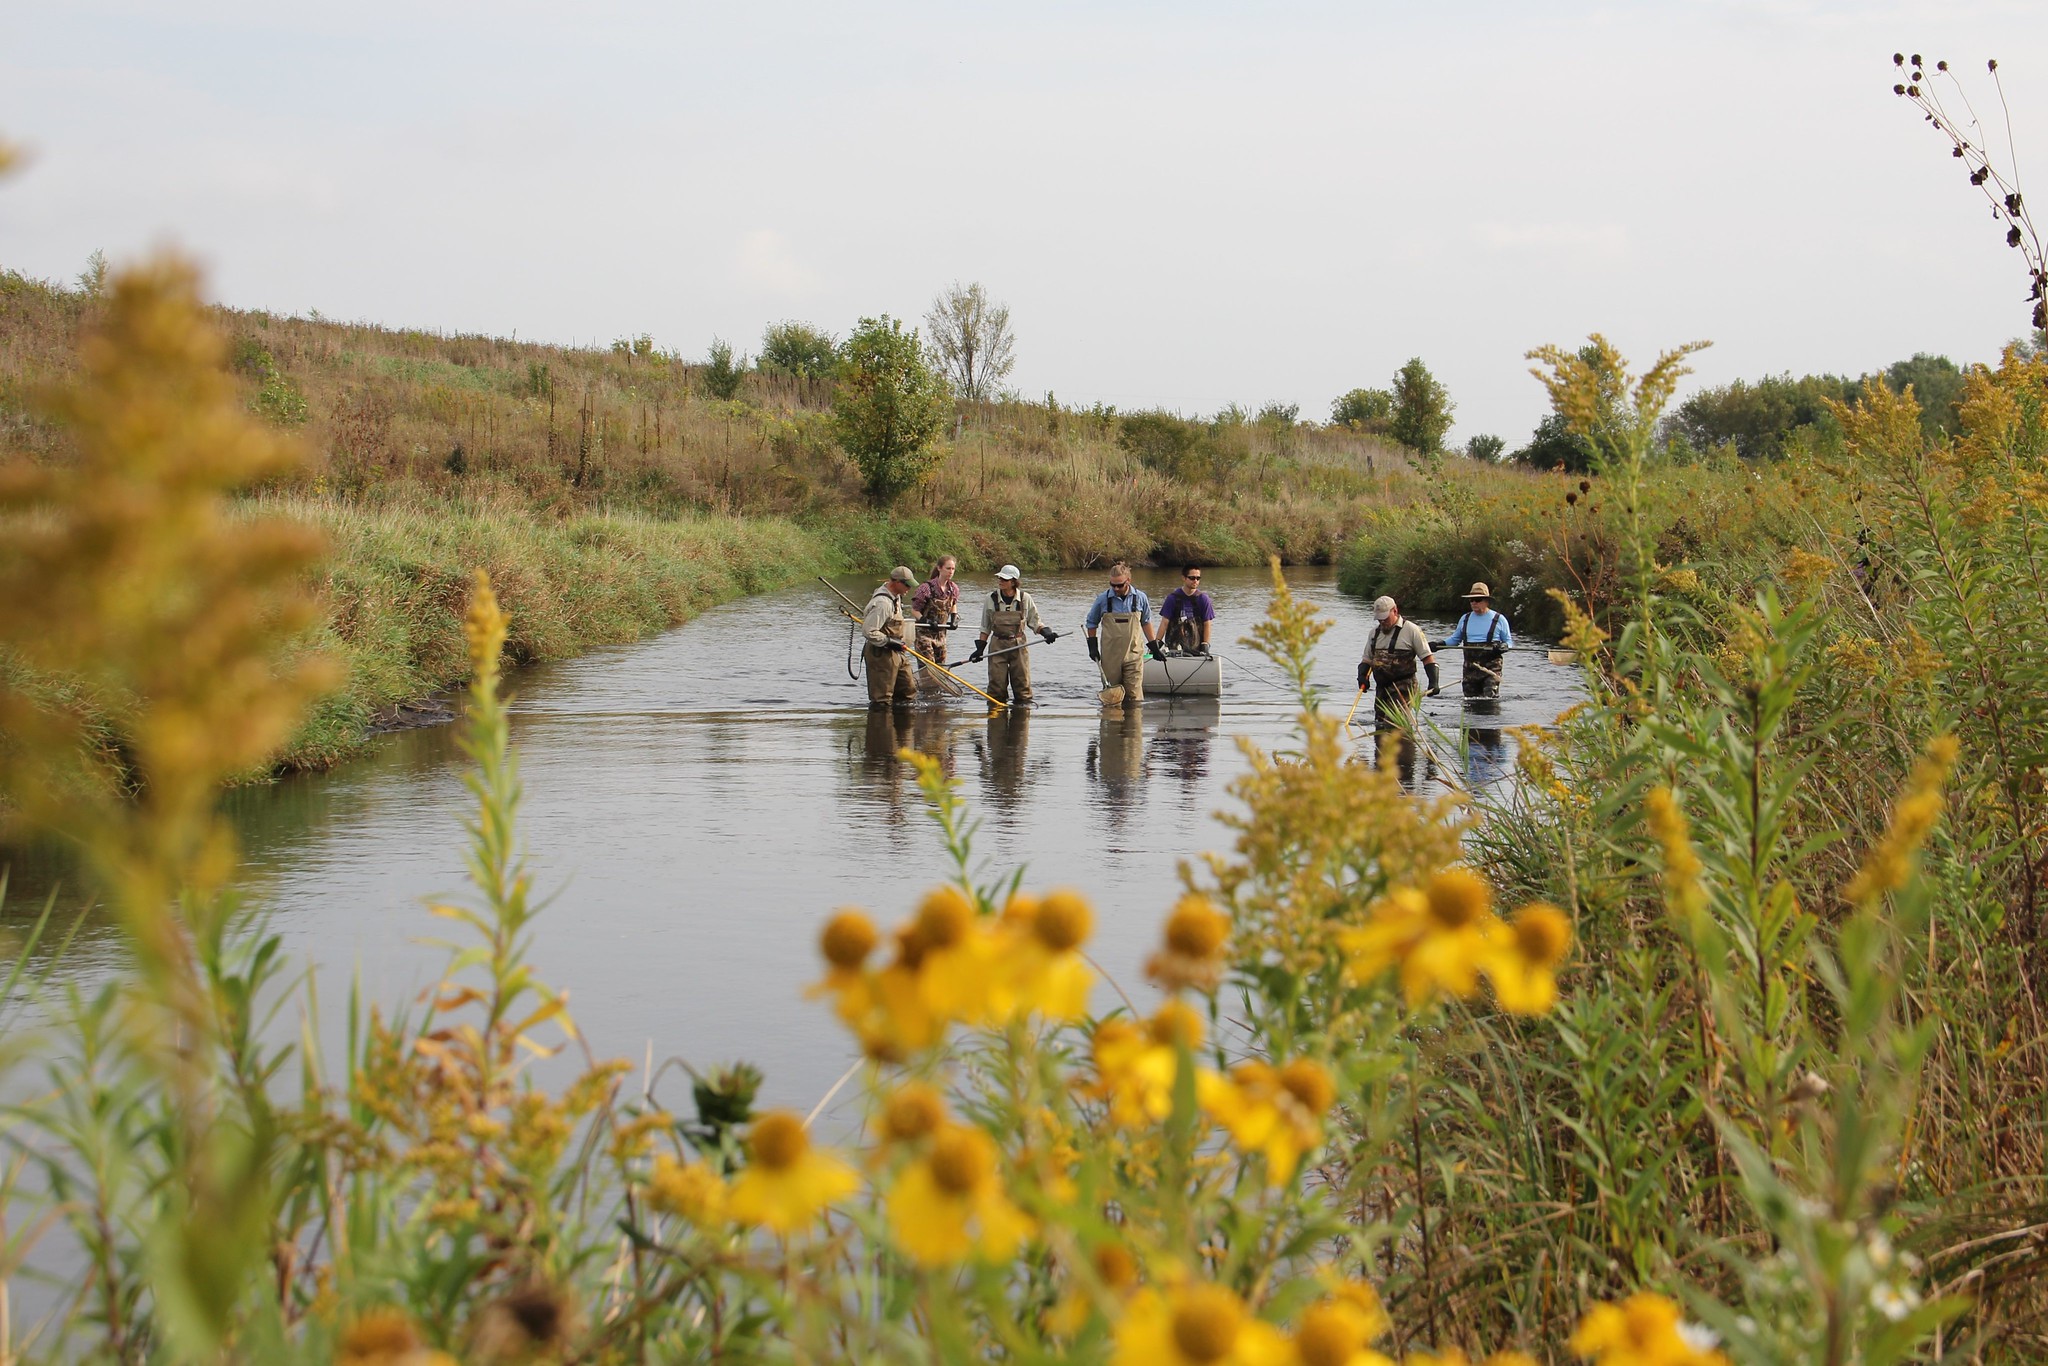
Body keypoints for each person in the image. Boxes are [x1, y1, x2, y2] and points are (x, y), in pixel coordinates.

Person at [967, 565, 1057, 705]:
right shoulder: (990, 598)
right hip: (997, 645)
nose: (1000, 581)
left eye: (1005, 579)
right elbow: (985, 627)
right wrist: (980, 649)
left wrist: (1046, 633)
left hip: (1019, 645)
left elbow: (1035, 622)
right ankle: (996, 718)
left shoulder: (1025, 598)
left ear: (1014, 582)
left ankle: (1022, 717)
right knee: (996, 687)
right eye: (1000, 578)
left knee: (1022, 686)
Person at [1085, 561, 1164, 705]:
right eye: (1112, 585)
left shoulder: (1140, 598)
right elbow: (1091, 623)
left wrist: (1154, 646)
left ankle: (1133, 725)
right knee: (1112, 698)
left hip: (1134, 654)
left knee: (1134, 697)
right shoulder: (1102, 599)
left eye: (1120, 585)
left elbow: (1146, 622)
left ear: (1128, 581)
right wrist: (1092, 647)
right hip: (1110, 656)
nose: (1116, 588)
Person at [1358, 595, 1440, 725]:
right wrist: (1362, 675)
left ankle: (1406, 744)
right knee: (1380, 725)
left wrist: (1433, 682)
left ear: (1395, 611)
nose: (1382, 622)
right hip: (1382, 688)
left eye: (1385, 618)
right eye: (1379, 619)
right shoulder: (1374, 633)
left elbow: (1428, 658)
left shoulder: (1412, 630)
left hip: (1404, 687)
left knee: (1393, 725)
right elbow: (1367, 660)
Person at [1432, 581, 1514, 699]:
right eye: (1471, 600)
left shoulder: (1499, 619)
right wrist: (1438, 645)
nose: (1474, 603)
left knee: (1489, 700)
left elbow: (1509, 642)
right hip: (1470, 671)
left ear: (1486, 601)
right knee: (1470, 704)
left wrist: (1504, 647)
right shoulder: (1465, 619)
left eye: (1477, 599)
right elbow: (1455, 640)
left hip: (1491, 671)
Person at [862, 566, 918, 708]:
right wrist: (889, 642)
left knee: (908, 690)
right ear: (896, 582)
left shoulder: (896, 597)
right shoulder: (882, 603)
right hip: (881, 653)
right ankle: (881, 726)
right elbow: (869, 631)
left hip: (897, 650)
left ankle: (902, 726)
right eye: (907, 585)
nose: (909, 589)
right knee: (882, 699)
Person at [909, 555, 961, 692]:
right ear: (939, 568)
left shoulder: (953, 588)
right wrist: (925, 621)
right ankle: (926, 695)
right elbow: (914, 610)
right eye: (948, 568)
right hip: (924, 636)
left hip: (941, 637)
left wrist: (954, 618)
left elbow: (953, 605)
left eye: (953, 569)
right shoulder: (926, 588)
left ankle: (937, 697)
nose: (951, 572)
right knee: (929, 669)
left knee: (941, 670)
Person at [1158, 566, 1215, 655]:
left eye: (1198, 578)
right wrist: (1157, 643)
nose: (1195, 580)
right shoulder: (1172, 598)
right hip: (1174, 649)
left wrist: (1205, 644)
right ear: (1184, 578)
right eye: (1192, 578)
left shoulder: (1203, 599)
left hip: (1197, 648)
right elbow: (1164, 623)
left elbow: (1207, 623)